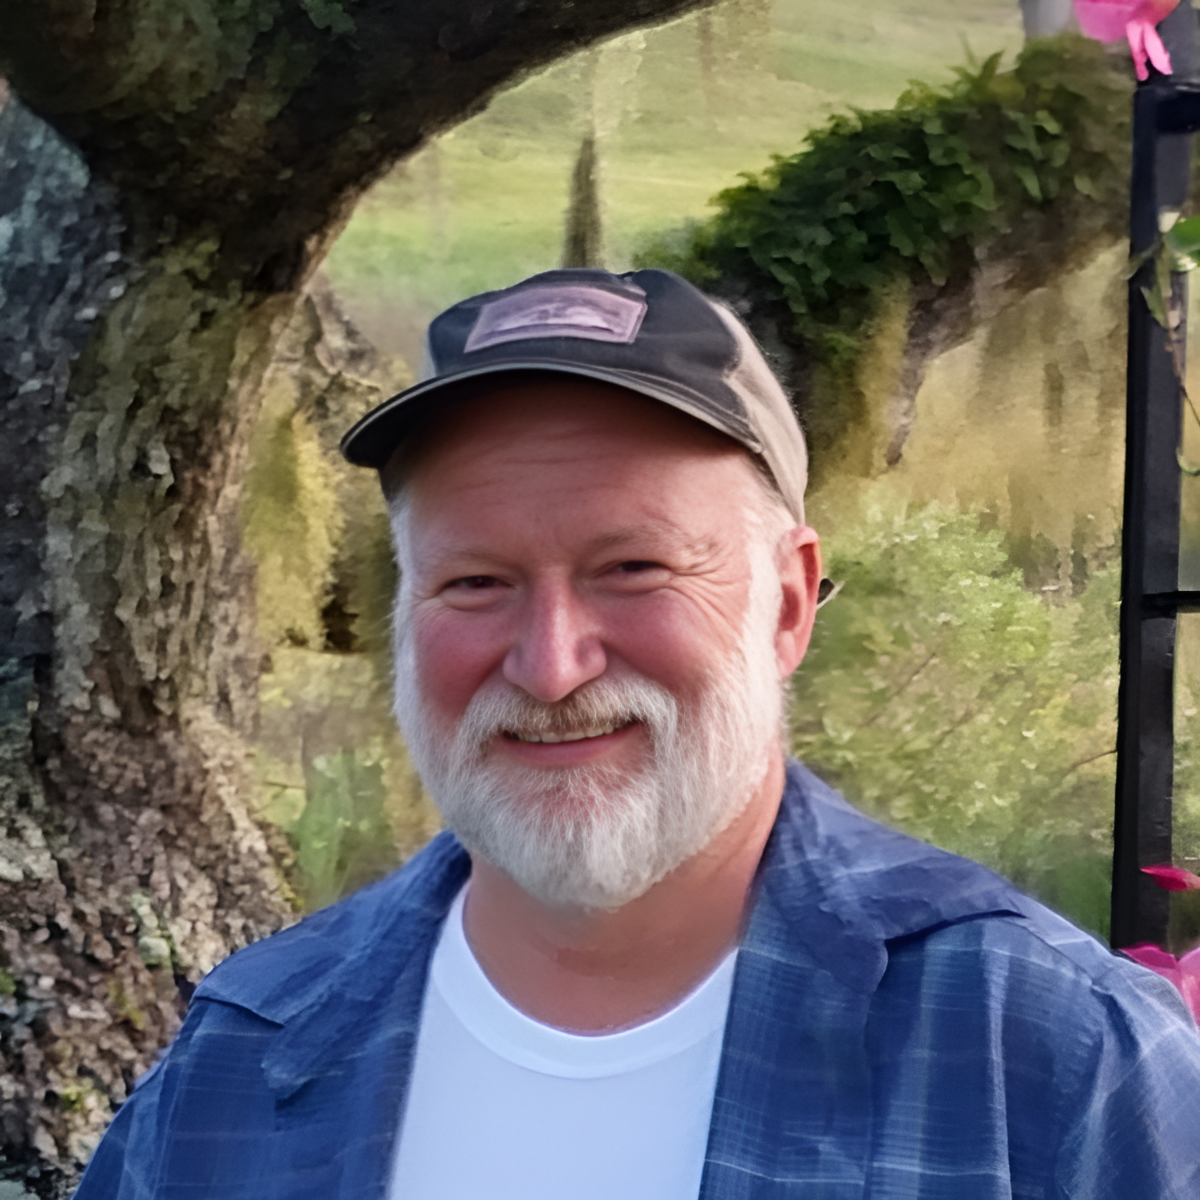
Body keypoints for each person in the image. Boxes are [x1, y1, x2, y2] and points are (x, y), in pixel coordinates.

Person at [75, 268, 1200, 1200]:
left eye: (635, 569)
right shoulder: (241, 1060)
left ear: (788, 603)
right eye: (476, 582)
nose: (552, 664)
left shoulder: (1049, 1059)